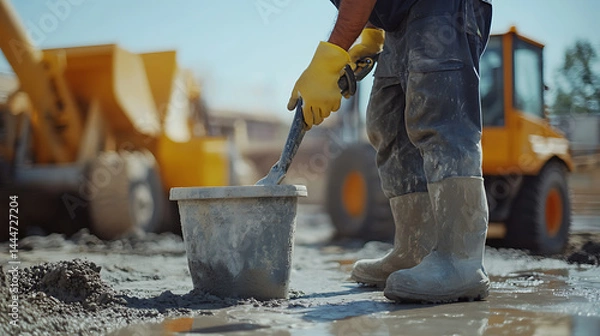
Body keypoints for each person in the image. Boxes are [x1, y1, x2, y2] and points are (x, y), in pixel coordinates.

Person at [287, 0, 493, 303]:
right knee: (387, 121)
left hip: (443, 8)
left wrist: (331, 57)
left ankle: (461, 262)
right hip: (400, 20)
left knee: (441, 119)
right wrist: (371, 34)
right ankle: (414, 251)